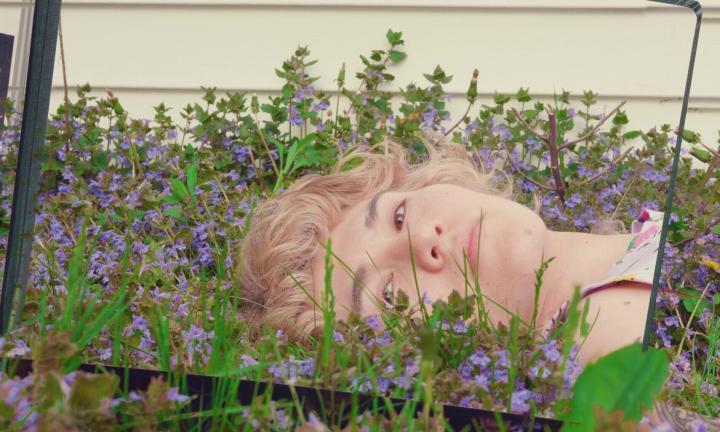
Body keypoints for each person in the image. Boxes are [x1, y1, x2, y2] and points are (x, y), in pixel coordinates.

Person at [237, 132, 716, 429]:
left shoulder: (679, 230)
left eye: (399, 216)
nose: (425, 240)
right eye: (386, 292)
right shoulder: (606, 361)